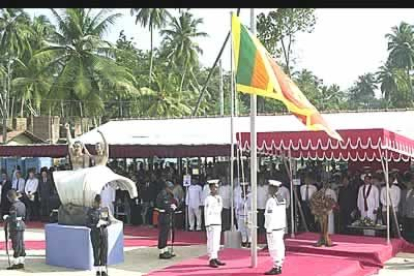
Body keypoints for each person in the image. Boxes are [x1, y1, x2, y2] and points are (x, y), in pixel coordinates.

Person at [86, 194, 116, 276]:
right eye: (97, 203)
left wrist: (104, 223)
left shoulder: (104, 210)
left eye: (99, 203)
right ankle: (98, 271)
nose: (98, 204)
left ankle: (104, 271)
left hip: (104, 233)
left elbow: (109, 221)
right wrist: (95, 225)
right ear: (94, 202)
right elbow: (87, 223)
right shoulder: (91, 211)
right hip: (95, 234)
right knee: (97, 253)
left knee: (104, 253)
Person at [264, 180, 286, 275]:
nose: (268, 189)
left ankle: (276, 266)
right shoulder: (281, 198)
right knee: (280, 246)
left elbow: (269, 216)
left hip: (273, 228)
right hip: (280, 226)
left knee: (273, 247)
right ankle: (279, 263)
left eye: (270, 187)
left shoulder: (271, 201)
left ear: (273, 188)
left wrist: (269, 228)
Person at [204, 179, 225, 268]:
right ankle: (211, 259)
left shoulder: (218, 198)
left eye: (217, 187)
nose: (216, 189)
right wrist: (207, 223)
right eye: (214, 187)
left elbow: (220, 209)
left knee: (216, 241)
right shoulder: (208, 199)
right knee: (212, 241)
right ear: (211, 188)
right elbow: (207, 212)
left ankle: (215, 256)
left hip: (217, 221)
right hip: (211, 222)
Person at [3, 190, 26, 270]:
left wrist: (6, 217)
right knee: (21, 244)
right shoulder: (22, 204)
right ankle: (21, 262)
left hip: (15, 227)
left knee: (16, 244)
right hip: (22, 225)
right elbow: (24, 216)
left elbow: (13, 218)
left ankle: (16, 263)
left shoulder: (14, 206)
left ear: (11, 197)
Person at [156, 181, 177, 259]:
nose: (171, 189)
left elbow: (173, 201)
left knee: (166, 234)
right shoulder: (162, 195)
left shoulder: (169, 195)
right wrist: (171, 207)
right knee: (163, 234)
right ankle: (162, 251)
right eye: (170, 188)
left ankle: (165, 250)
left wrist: (174, 205)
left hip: (168, 216)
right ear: (166, 187)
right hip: (163, 216)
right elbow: (165, 206)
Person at [236, 182, 252, 248]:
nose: (244, 188)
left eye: (245, 187)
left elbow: (251, 204)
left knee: (249, 228)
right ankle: (244, 241)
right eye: (242, 187)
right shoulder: (239, 195)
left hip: (248, 214)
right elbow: (237, 204)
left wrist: (246, 199)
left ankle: (250, 241)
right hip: (241, 214)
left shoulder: (251, 195)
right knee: (242, 228)